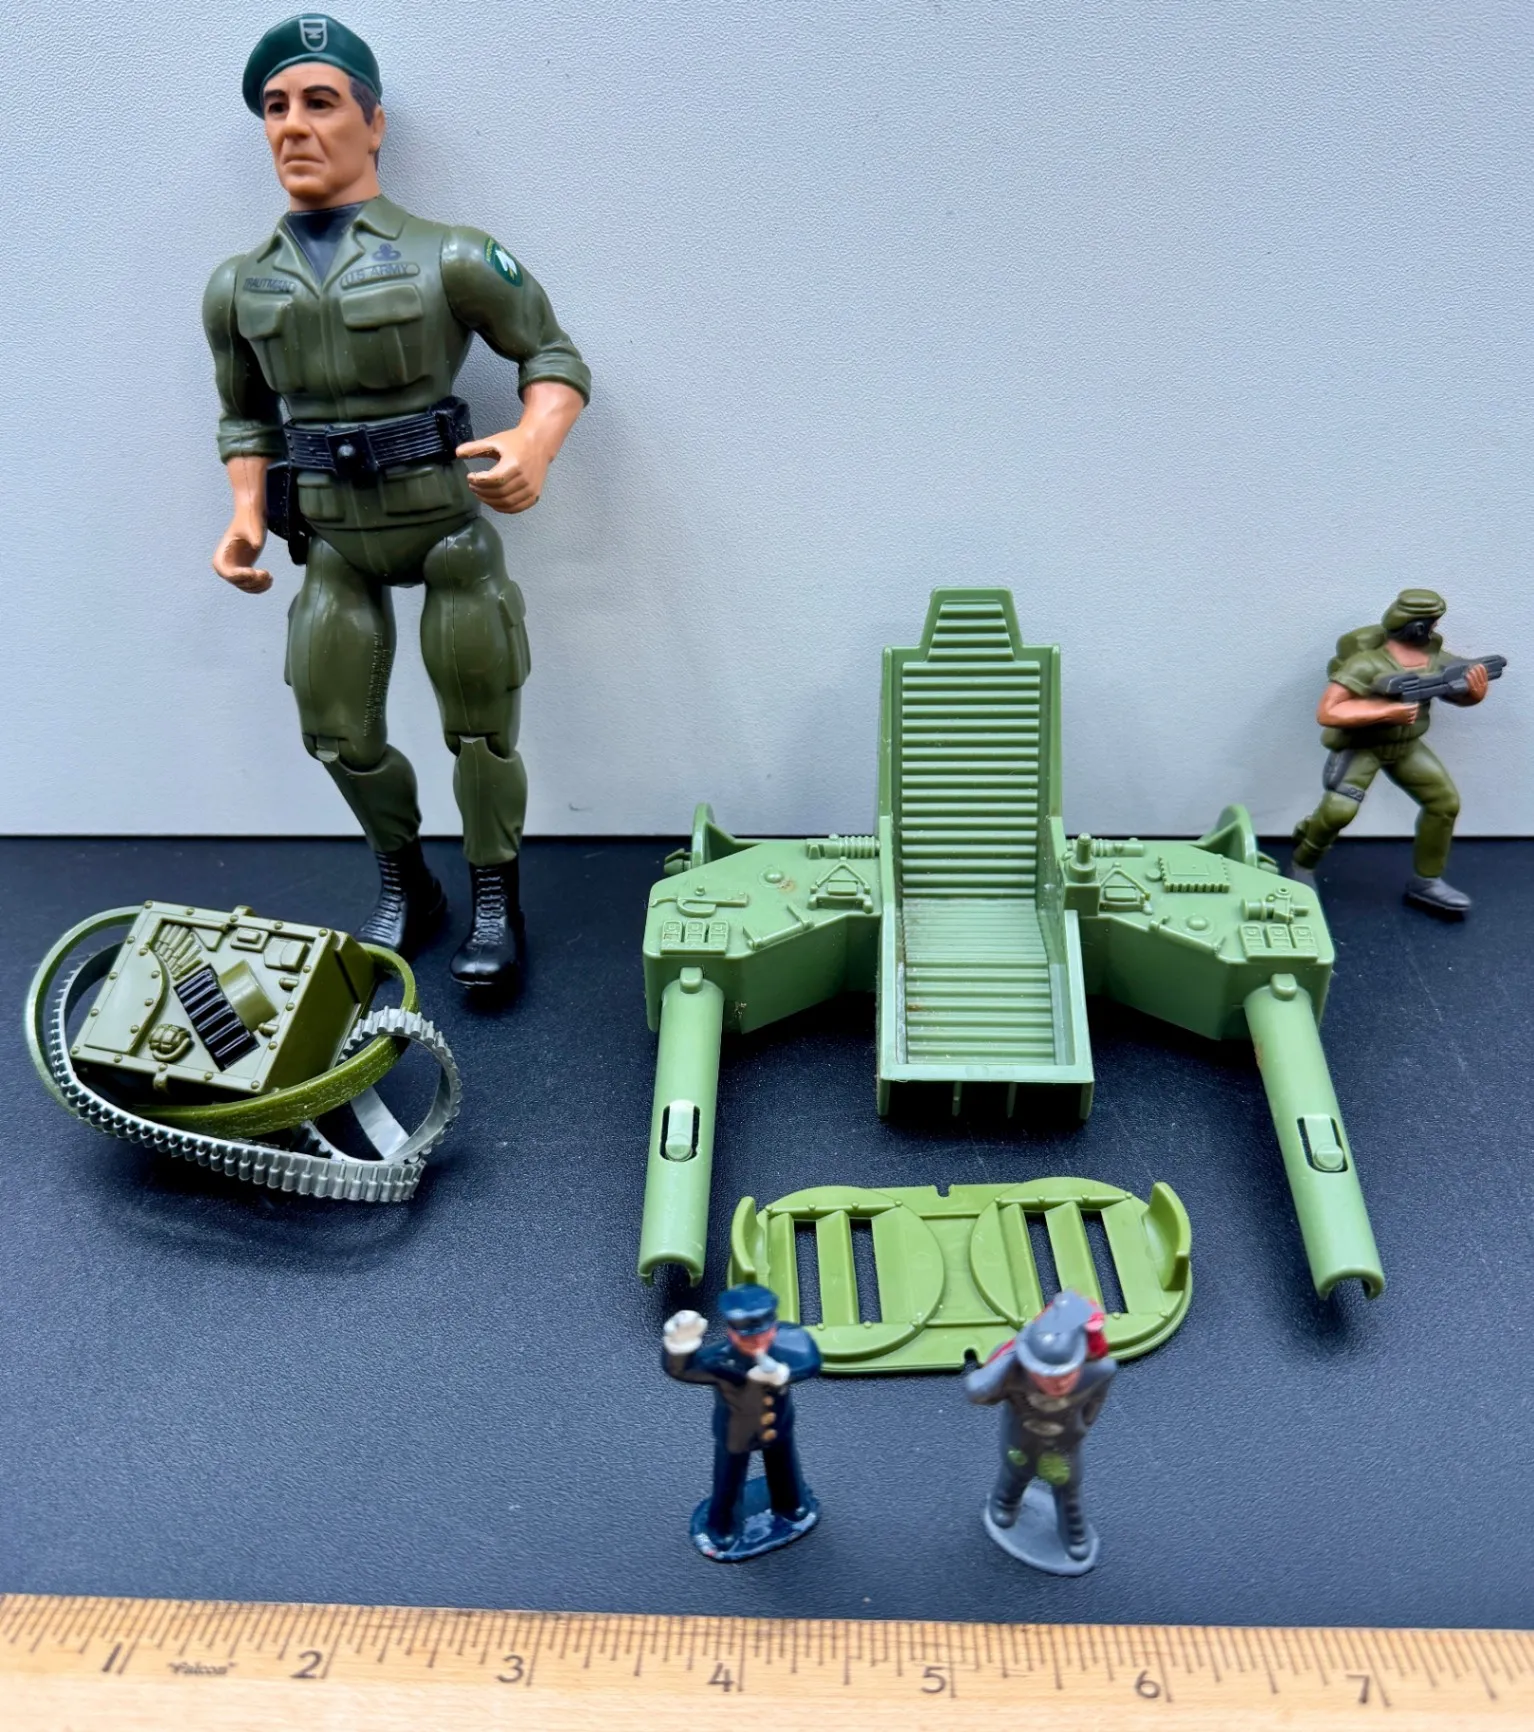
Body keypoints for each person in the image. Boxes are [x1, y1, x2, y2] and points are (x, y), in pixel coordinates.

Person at [204, 14, 590, 989]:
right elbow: (244, 416)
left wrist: (534, 441)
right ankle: (406, 881)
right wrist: (246, 512)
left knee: (481, 727)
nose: (295, 126)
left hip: (445, 528)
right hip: (333, 540)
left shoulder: (451, 256)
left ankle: (494, 894)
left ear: (373, 123)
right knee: (335, 729)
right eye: (275, 108)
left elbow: (552, 356)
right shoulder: (240, 285)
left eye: (321, 102)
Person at [1290, 590, 1492, 917]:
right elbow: (1329, 711)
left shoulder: (1434, 658)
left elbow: (1453, 689)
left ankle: (1427, 880)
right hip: (1363, 747)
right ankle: (1301, 866)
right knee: (1339, 811)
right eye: (1431, 623)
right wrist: (1386, 712)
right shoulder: (1367, 663)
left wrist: (1474, 694)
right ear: (1417, 625)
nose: (1435, 629)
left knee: (1444, 804)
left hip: (1407, 747)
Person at [661, 1285, 822, 1560]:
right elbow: (682, 1370)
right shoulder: (722, 1358)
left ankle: (793, 1507)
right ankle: (723, 1528)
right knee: (728, 1480)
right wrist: (680, 1345)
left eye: (762, 1336)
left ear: (772, 1329)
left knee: (785, 1468)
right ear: (732, 1334)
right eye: (747, 1339)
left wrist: (782, 1373)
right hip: (736, 1431)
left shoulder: (791, 1341)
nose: (756, 1344)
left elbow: (811, 1360)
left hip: (779, 1425)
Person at [963, 1288, 1116, 1574]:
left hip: (1064, 1446)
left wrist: (1080, 1429)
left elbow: (1094, 1405)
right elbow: (976, 1391)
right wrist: (1010, 1355)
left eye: (1066, 1374)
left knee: (1068, 1489)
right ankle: (1004, 1506)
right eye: (1045, 1374)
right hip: (1020, 1439)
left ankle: (1074, 1533)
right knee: (1014, 1476)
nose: (1058, 1383)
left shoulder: (1098, 1372)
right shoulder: (1013, 1373)